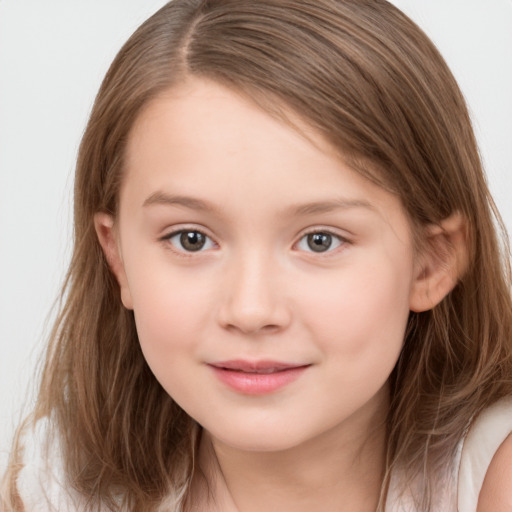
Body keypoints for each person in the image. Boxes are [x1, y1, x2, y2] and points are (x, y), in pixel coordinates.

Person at [2, 0, 512, 510]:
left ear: (432, 262)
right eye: (191, 239)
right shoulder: (57, 485)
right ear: (118, 257)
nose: (250, 310)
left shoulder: (495, 477)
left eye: (320, 240)